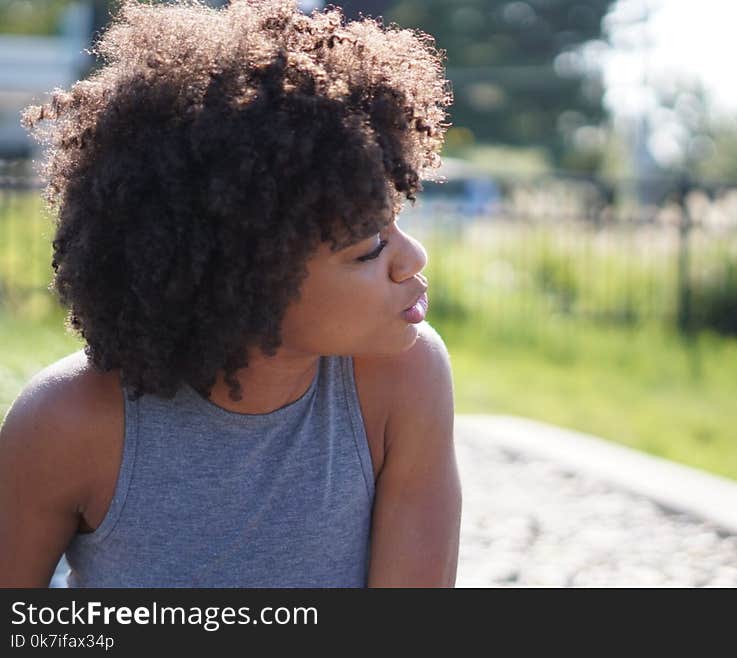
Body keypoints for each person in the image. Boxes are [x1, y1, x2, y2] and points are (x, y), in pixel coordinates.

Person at [0, 0, 460, 587]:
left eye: (395, 221)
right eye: (368, 247)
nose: (414, 258)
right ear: (244, 277)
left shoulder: (403, 377)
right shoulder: (68, 421)